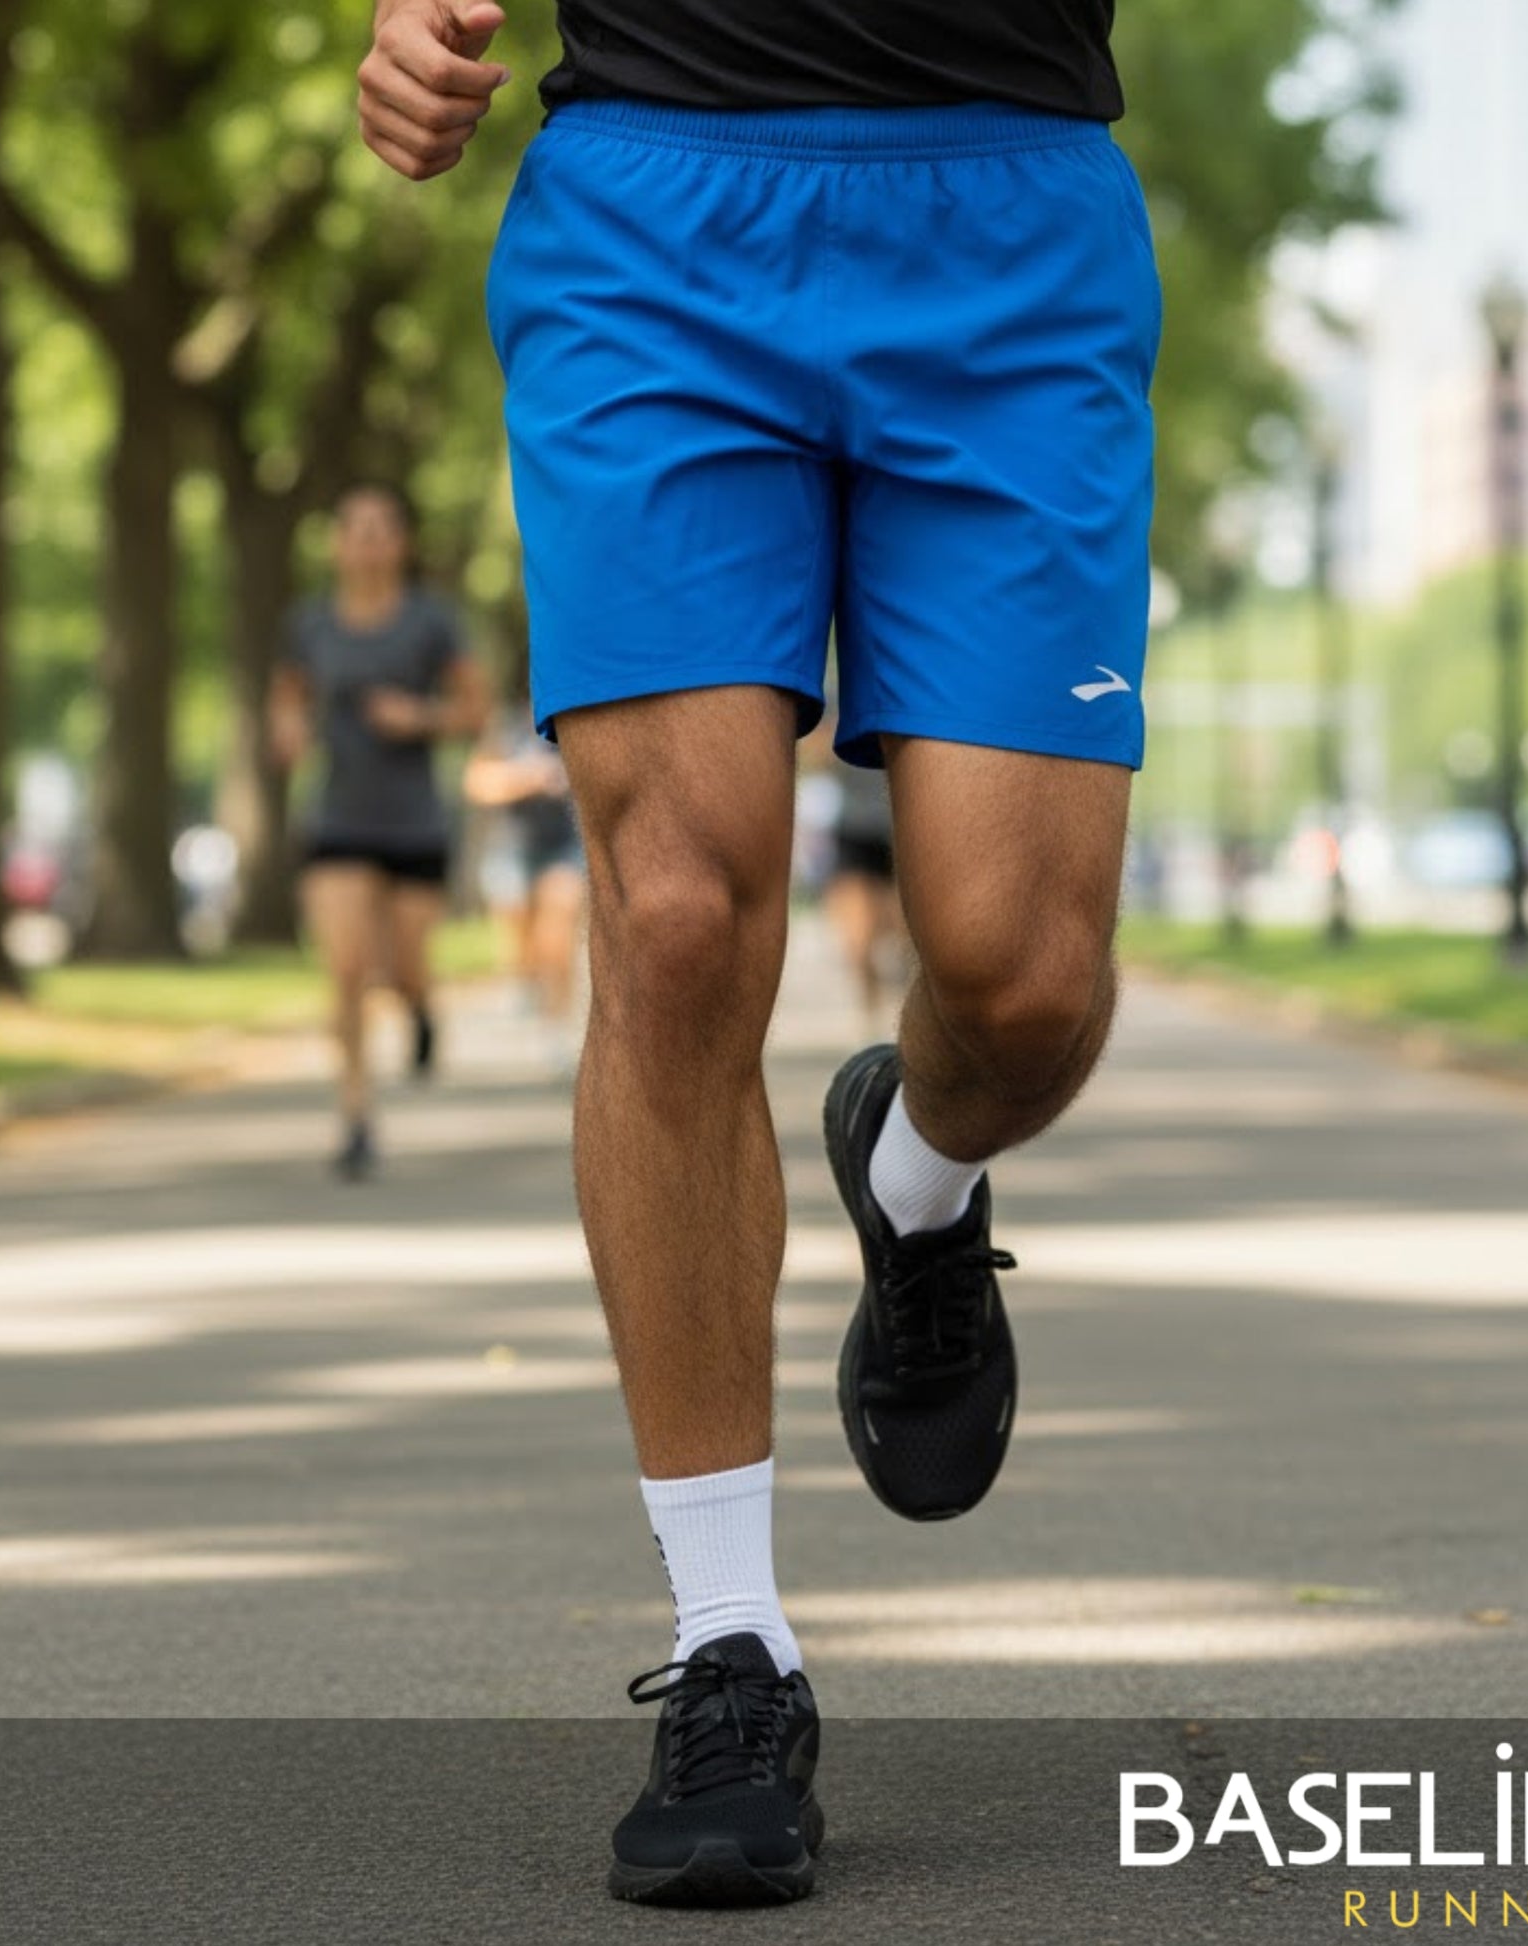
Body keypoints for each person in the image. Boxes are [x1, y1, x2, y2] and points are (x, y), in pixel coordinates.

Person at [359, 0, 1157, 1905]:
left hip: (1012, 210)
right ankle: (732, 1649)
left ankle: (923, 1168)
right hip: (658, 206)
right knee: (681, 907)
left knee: (1024, 973)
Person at [270, 483, 490, 1179]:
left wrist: (419, 718)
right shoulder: (311, 623)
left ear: (401, 543)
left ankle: (422, 1011)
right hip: (338, 817)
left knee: (402, 970)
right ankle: (356, 1116)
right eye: (354, 528)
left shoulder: (430, 622)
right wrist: (289, 733)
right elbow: (287, 694)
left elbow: (474, 710)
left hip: (414, 822)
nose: (366, 541)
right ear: (336, 542)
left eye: (380, 529)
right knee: (345, 969)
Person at [464, 704, 586, 1074]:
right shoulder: (506, 728)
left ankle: (556, 1029)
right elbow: (477, 783)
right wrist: (527, 779)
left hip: (565, 846)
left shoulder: (579, 720)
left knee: (559, 931)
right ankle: (524, 978)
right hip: (513, 846)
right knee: (519, 931)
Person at [824, 757, 907, 1035]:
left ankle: (905, 1013)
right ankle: (871, 1016)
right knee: (858, 943)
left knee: (907, 941)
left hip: (902, 826)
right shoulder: (833, 712)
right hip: (855, 828)